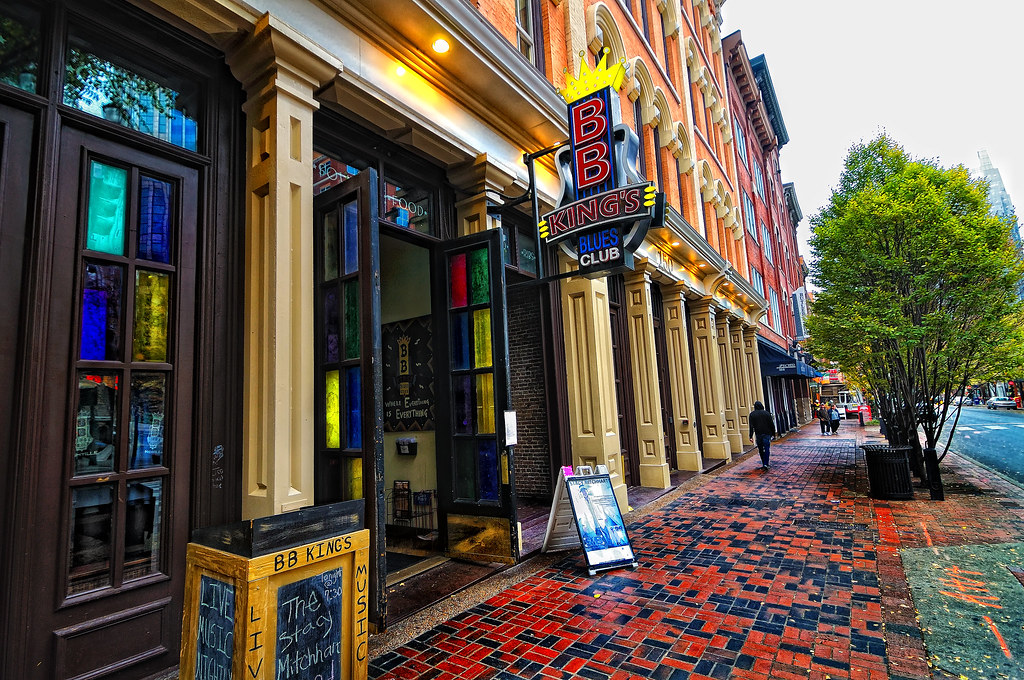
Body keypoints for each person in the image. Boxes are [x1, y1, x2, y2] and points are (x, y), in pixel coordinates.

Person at [748, 401, 776, 470]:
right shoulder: (767, 413)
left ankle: (763, 462)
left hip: (758, 434)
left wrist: (750, 436)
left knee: (760, 449)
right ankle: (766, 463)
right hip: (767, 433)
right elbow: (771, 424)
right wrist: (773, 433)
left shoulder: (752, 415)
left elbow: (751, 426)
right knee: (766, 448)